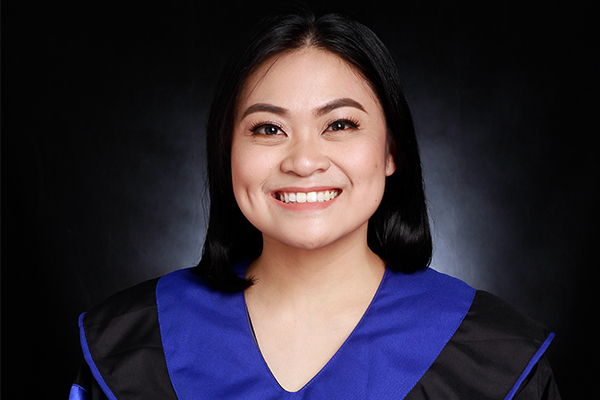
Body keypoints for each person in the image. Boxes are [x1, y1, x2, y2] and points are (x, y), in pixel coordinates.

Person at [69, 9, 561, 400]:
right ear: (227, 154)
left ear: (391, 151)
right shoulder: (131, 347)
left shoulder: (493, 358)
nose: (304, 161)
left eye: (340, 125)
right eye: (269, 128)